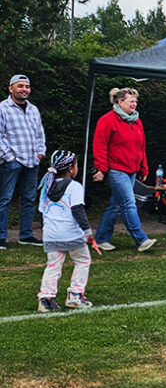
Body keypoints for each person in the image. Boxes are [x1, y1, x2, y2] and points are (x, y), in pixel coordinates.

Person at [92, 87, 157, 252]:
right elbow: (100, 145)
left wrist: (144, 168)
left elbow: (141, 147)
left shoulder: (136, 121)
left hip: (132, 170)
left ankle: (100, 238)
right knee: (129, 203)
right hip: (116, 170)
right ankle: (141, 239)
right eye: (131, 101)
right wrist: (101, 168)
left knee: (116, 206)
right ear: (120, 102)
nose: (134, 104)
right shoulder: (107, 120)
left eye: (135, 101)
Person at [35, 151, 92, 312]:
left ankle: (45, 299)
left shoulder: (46, 186)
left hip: (51, 234)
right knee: (82, 260)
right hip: (71, 234)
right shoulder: (74, 187)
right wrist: (87, 231)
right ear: (70, 168)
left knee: (53, 265)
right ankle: (75, 294)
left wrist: (45, 230)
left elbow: (41, 212)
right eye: (76, 165)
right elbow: (78, 210)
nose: (77, 168)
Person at [1, 73, 46, 248]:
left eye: (26, 86)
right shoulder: (3, 108)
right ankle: (1, 237)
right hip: (12, 162)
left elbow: (39, 133)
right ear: (11, 88)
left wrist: (40, 152)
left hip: (32, 161)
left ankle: (26, 235)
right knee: (5, 199)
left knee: (29, 198)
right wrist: (9, 157)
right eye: (20, 86)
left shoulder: (33, 109)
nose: (24, 89)